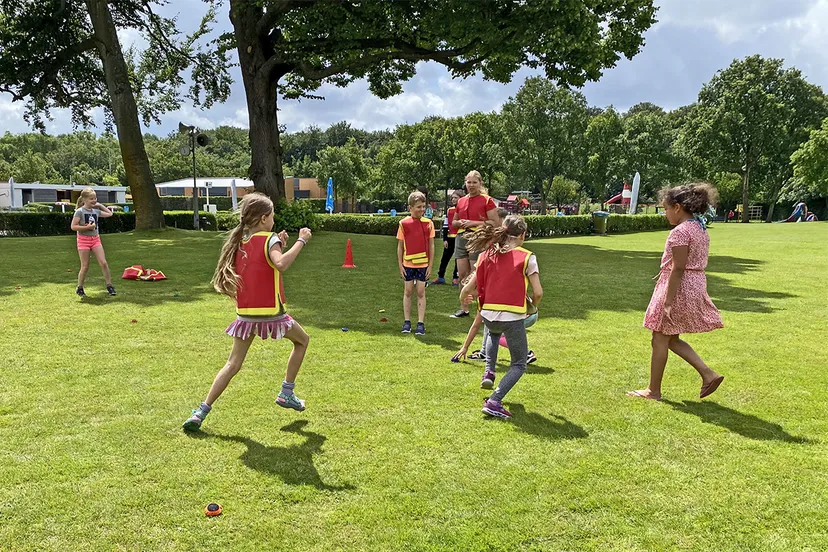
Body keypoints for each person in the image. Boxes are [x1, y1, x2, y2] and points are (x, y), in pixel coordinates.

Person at [183, 193, 313, 431]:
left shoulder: (240, 243)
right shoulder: (269, 239)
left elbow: (261, 264)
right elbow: (281, 264)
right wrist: (301, 241)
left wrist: (280, 245)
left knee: (232, 364)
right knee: (302, 341)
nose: (274, 220)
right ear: (264, 218)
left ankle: (200, 412)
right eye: (272, 216)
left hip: (246, 316)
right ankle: (287, 392)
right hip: (272, 314)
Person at [628, 183, 724, 402]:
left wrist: (668, 301)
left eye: (666, 209)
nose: (665, 213)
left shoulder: (680, 232)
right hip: (695, 283)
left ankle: (654, 391)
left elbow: (678, 267)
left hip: (680, 286)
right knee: (669, 337)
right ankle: (708, 374)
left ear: (678, 207)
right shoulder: (699, 228)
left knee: (659, 337)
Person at [460, 215, 543, 419]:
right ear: (523, 235)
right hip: (512, 315)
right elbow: (538, 292)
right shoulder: (526, 256)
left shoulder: (486, 255)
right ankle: (495, 401)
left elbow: (469, 287)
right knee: (519, 364)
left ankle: (489, 371)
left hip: (488, 313)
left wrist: (463, 297)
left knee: (493, 334)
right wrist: (532, 307)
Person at [451, 170, 498, 318]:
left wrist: (473, 223)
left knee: (476, 274)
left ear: (480, 183)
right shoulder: (461, 201)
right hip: (461, 238)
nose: (471, 185)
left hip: (479, 238)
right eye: (468, 182)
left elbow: (494, 222)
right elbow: (454, 222)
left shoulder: (487, 200)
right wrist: (459, 223)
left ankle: (482, 309)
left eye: (474, 182)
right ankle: (464, 308)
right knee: (462, 274)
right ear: (465, 183)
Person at [397, 191, 435, 335]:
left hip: (423, 264)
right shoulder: (403, 223)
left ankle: (420, 323)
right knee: (407, 292)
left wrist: (430, 266)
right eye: (418, 207)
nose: (422, 210)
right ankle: (407, 322)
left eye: (423, 206)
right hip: (408, 264)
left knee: (421, 292)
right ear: (410, 207)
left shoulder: (428, 224)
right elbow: (400, 246)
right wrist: (400, 265)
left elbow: (431, 246)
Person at [70, 187, 116, 298]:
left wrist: (100, 205)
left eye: (95, 198)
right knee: (85, 266)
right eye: (91, 199)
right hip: (83, 241)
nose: (94, 200)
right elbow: (73, 226)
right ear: (84, 199)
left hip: (95, 239)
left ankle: (109, 286)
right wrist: (87, 227)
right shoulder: (79, 212)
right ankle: (80, 287)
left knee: (103, 263)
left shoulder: (96, 211)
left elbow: (110, 214)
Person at [432, 190, 462, 285]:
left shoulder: (464, 210)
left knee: (458, 259)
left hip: (460, 237)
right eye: (452, 198)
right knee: (445, 258)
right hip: (450, 238)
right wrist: (445, 239)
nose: (453, 199)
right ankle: (440, 276)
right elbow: (446, 225)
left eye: (455, 198)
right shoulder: (449, 210)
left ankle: (455, 278)